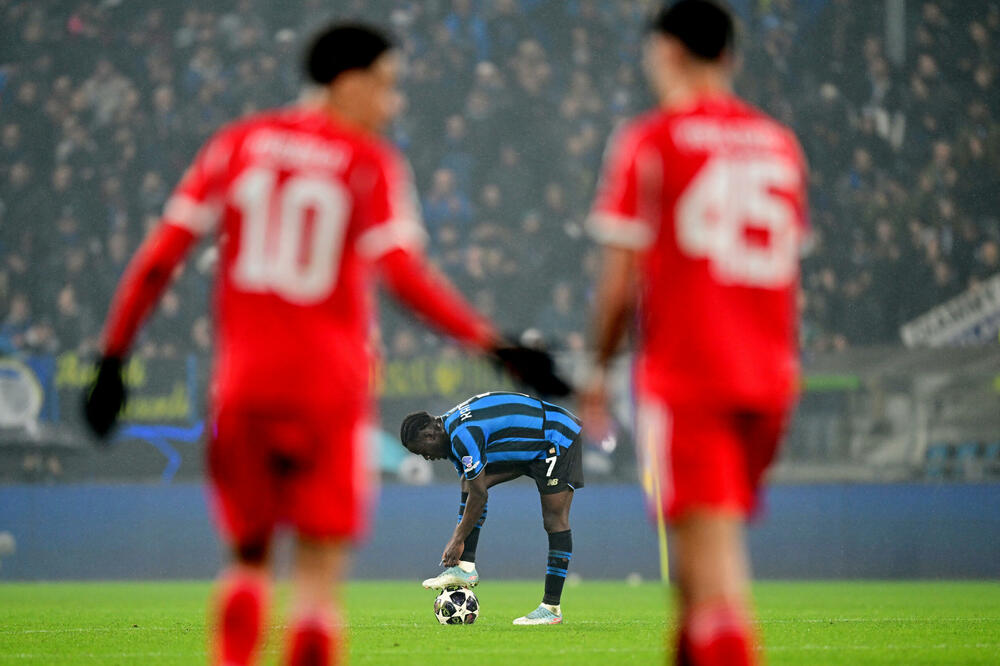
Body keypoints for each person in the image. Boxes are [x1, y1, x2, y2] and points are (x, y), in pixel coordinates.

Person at [82, 23, 566, 666]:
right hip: (328, 394)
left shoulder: (236, 146)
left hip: (245, 388)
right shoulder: (367, 162)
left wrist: (113, 359)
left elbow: (157, 260)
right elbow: (406, 279)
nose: (392, 103)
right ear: (348, 80)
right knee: (316, 578)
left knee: (248, 562)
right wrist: (497, 348)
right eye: (386, 86)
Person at [580, 2, 808, 665]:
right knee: (694, 570)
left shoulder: (651, 141)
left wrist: (597, 372)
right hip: (769, 378)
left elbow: (620, 283)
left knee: (714, 577)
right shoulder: (780, 145)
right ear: (730, 56)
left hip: (691, 377)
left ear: (667, 53)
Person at [399, 391, 583, 625]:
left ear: (429, 435)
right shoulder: (450, 433)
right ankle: (466, 567)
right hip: (530, 440)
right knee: (471, 482)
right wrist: (459, 542)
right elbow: (472, 488)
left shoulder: (462, 435)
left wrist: (456, 540)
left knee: (554, 519)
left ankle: (551, 608)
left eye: (421, 451)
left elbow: (479, 496)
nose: (426, 458)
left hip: (556, 436)